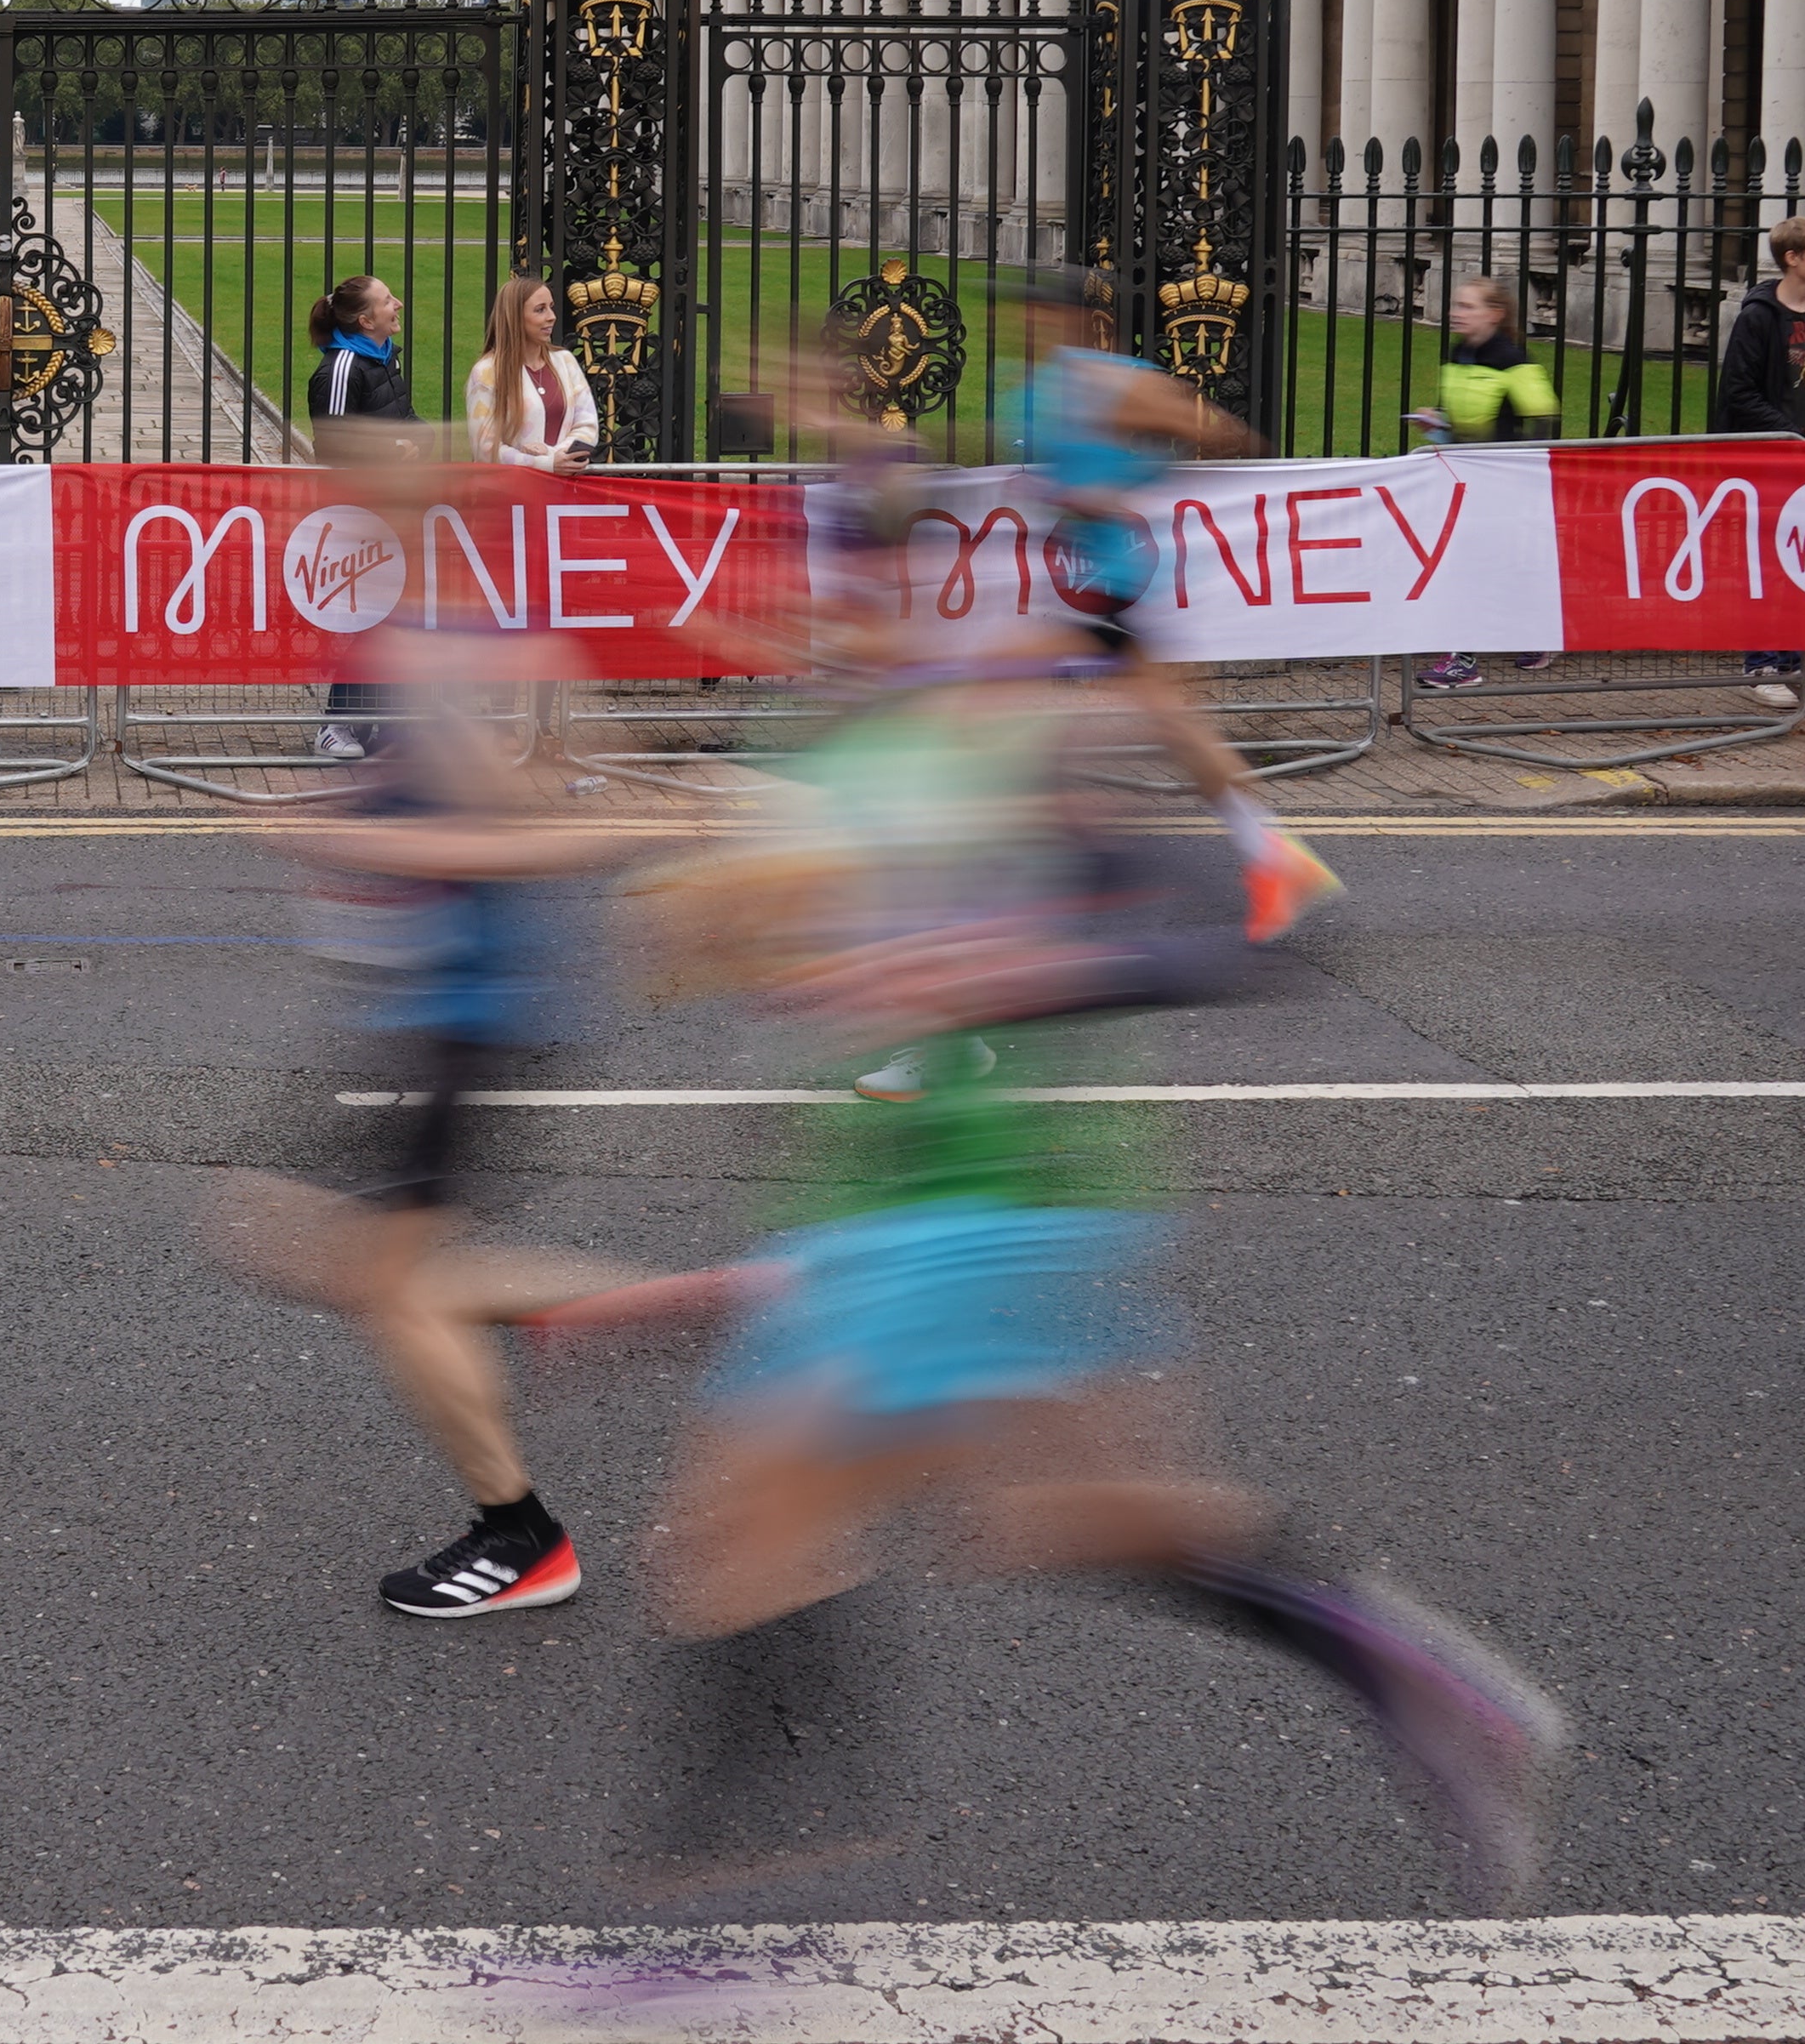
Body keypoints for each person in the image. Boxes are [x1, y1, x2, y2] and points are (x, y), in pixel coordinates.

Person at [566, 660, 1563, 1907]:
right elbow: (872, 1080)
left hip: (962, 1212)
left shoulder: (971, 741)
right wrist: (739, 1274)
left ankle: (713, 1937)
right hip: (940, 1210)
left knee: (734, 1553)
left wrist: (999, 976)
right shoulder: (825, 745)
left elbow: (1252, 924)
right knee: (1056, 1518)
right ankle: (1420, 1686)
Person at [211, 629, 662, 1620]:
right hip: (404, 1023)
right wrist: (335, 805)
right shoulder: (422, 641)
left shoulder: (477, 649)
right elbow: (421, 788)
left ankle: (520, 1535)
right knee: (270, 1233)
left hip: (464, 1023)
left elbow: (556, 835)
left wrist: (367, 841)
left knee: (394, 1288)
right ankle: (612, 1301)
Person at [1008, 264, 1342, 940]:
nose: (1027, 323)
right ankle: (1264, 856)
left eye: (1039, 312)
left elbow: (1223, 435)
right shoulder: (1033, 389)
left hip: (1117, 582)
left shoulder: (1106, 382)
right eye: (1022, 312)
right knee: (1155, 724)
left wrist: (1125, 479)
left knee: (1126, 719)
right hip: (1082, 583)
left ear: (1070, 319)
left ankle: (1257, 858)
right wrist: (1085, 489)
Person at [1713, 218, 1805, 707]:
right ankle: (1762, 663)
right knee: (1766, 559)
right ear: (1793, 258)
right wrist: (1790, 434)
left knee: (1804, 557)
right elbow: (1739, 390)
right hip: (1770, 456)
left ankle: (1796, 661)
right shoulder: (1759, 316)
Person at [1409, 273, 1557, 695]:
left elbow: (1545, 421)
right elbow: (1460, 422)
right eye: (1456, 305)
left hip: (1504, 483)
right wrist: (1437, 423)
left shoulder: (1513, 360)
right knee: (1490, 564)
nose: (1456, 313)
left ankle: (1464, 661)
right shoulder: (1459, 354)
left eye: (1467, 306)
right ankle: (1537, 632)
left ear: (1494, 314)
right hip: (1466, 478)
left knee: (1470, 565)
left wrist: (1510, 464)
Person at [307, 272, 413, 761]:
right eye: (387, 300)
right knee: (370, 621)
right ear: (366, 320)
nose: (398, 304)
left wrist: (422, 441)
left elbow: (405, 420)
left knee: (396, 620)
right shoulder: (342, 368)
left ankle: (385, 723)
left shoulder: (385, 358)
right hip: (356, 517)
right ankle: (335, 724)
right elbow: (332, 447)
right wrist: (394, 451)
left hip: (393, 508)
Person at [458, 273, 601, 471]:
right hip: (510, 487)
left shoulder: (565, 361)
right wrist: (545, 464)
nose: (552, 316)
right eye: (540, 310)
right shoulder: (486, 372)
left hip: (562, 485)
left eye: (551, 307)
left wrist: (553, 456)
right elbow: (485, 448)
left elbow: (587, 426)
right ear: (515, 317)